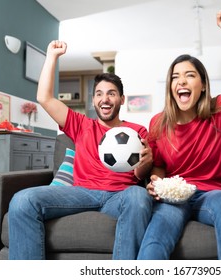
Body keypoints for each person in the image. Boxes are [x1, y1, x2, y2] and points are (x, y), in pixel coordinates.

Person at [137, 11, 221, 260]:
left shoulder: (219, 110)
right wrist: (156, 183)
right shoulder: (158, 123)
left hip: (214, 194)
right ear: (171, 87)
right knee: (155, 239)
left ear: (202, 86)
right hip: (173, 197)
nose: (182, 81)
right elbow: (158, 167)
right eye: (175, 77)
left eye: (189, 75)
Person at [8, 40, 153, 260]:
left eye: (112, 93)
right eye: (99, 94)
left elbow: (139, 176)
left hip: (122, 194)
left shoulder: (137, 130)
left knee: (139, 196)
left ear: (122, 100)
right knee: (22, 200)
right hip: (81, 193)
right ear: (94, 99)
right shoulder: (81, 125)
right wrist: (52, 57)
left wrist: (146, 162)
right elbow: (44, 98)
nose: (105, 98)